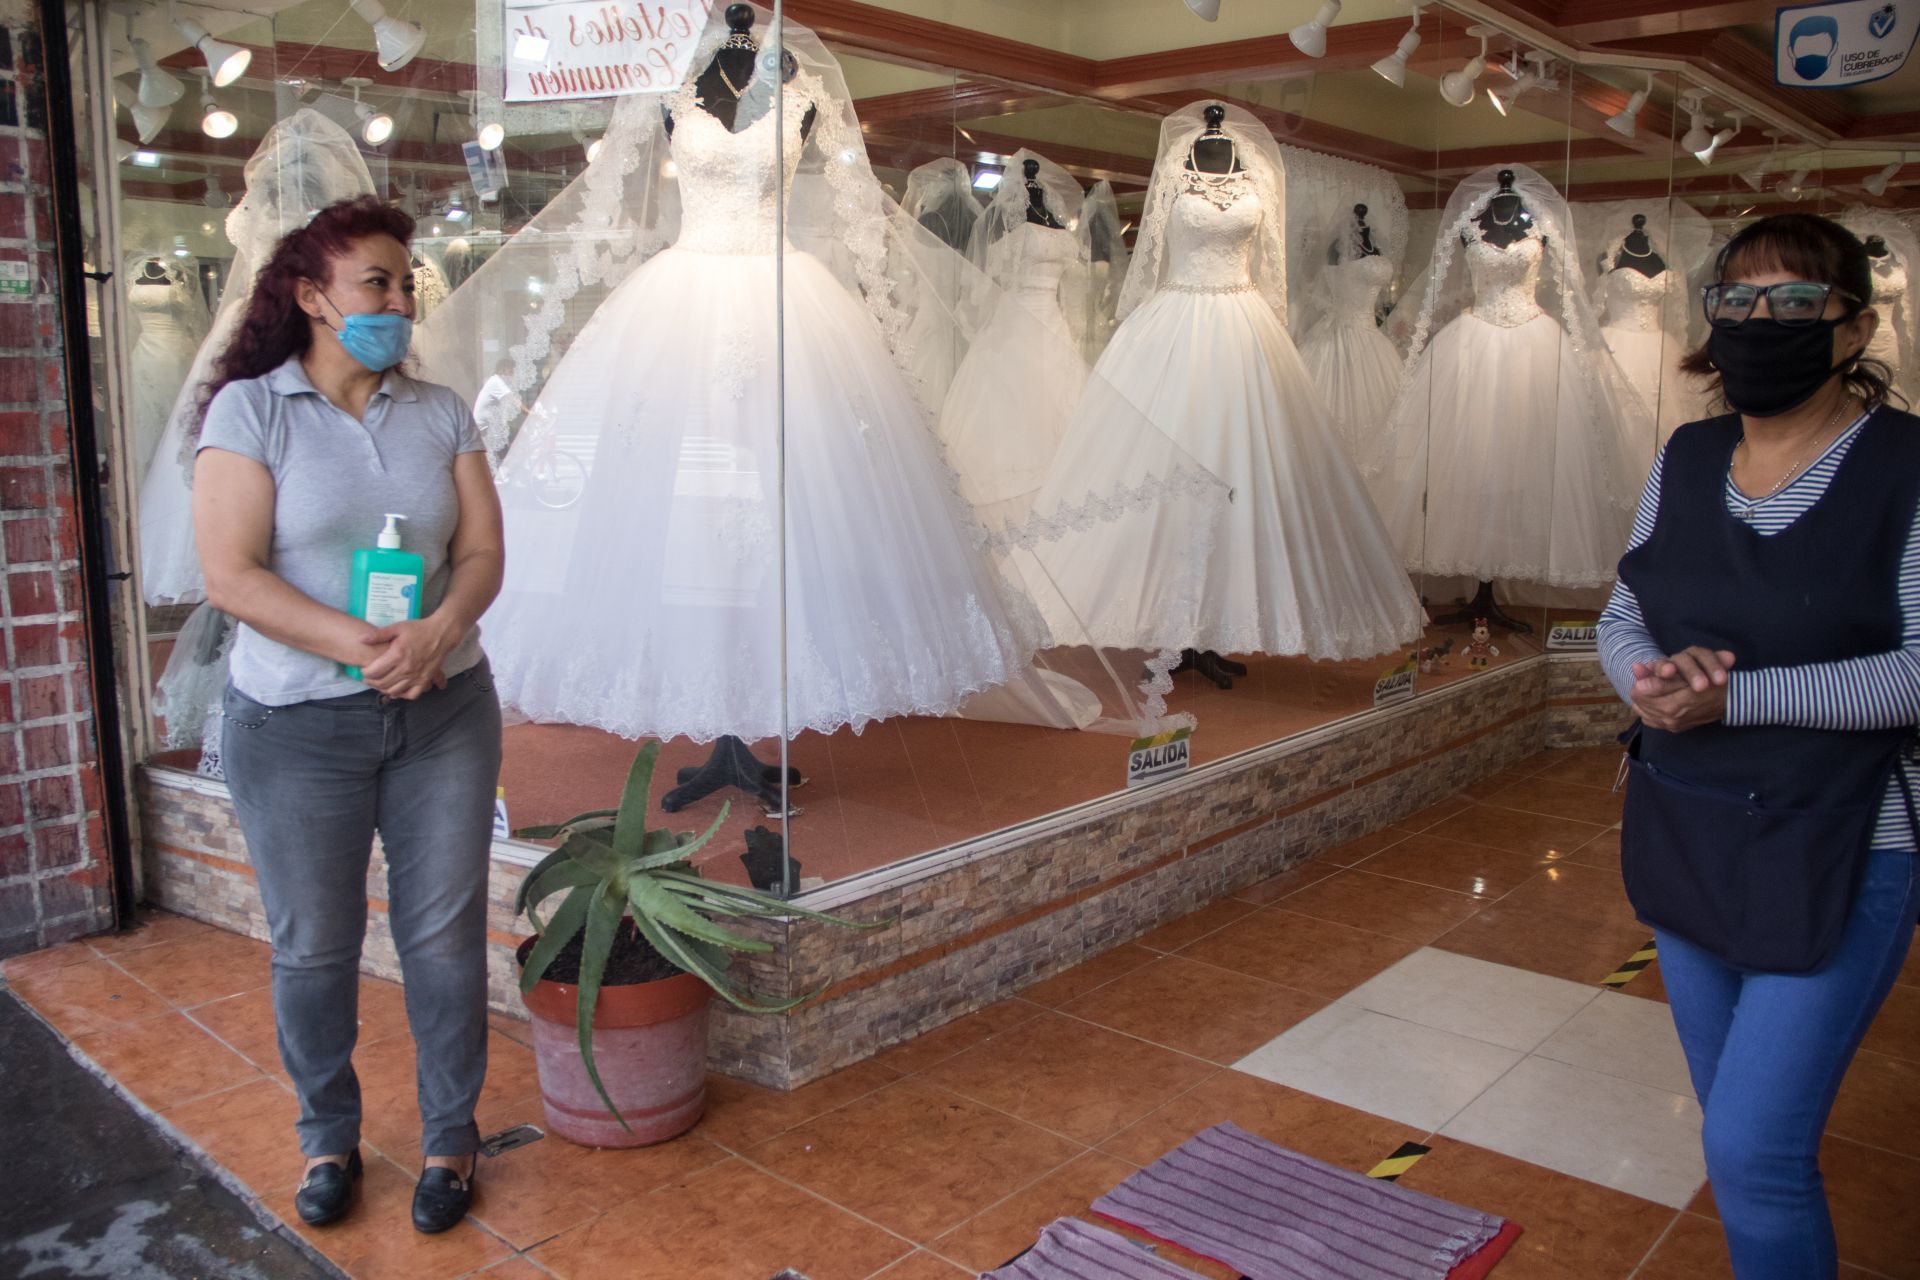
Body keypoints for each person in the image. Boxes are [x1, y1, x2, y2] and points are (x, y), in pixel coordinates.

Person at [1598, 212, 1918, 1279]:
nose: (1758, 322)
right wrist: (1644, 683)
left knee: (1754, 1147)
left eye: (1793, 303)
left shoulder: (1908, 466)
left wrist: (1735, 700)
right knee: (1733, 1119)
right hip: (1689, 825)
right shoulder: (1686, 456)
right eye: (1738, 301)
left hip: (1845, 840)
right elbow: (1622, 611)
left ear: (1855, 327)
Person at [192, 196, 505, 1234]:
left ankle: (450, 1138)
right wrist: (374, 647)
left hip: (444, 710)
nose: (400, 298)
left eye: (406, 281)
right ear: (312, 293)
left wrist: (440, 630)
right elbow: (231, 575)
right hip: (296, 725)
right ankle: (328, 1135)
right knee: (314, 943)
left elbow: (480, 552)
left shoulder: (441, 408)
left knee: (444, 937)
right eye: (378, 280)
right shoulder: (251, 411)